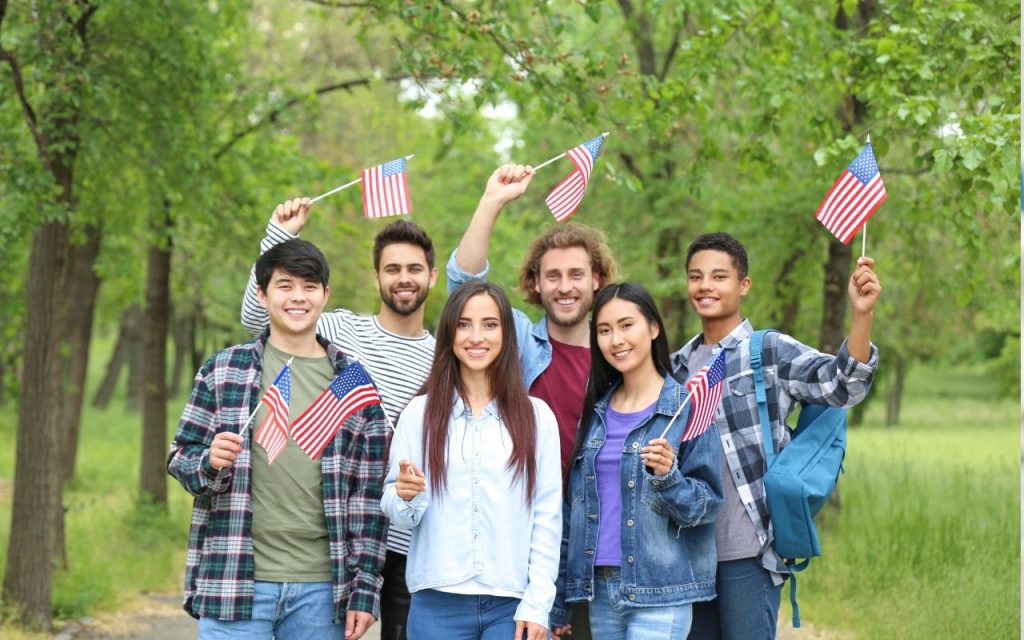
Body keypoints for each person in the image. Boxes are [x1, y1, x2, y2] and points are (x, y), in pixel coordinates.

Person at [168, 239, 389, 640]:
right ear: (263, 294)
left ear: (325, 295)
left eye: (309, 286)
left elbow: (367, 499)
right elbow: (181, 456)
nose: (298, 297)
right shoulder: (224, 370)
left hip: (322, 591)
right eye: (285, 285)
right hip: (236, 580)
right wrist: (209, 462)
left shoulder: (352, 382)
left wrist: (365, 588)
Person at [240, 198, 439, 640]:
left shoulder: (444, 356)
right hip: (342, 530)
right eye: (392, 269)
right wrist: (278, 234)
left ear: (432, 276)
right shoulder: (341, 330)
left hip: (410, 539)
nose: (403, 278)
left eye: (413, 268)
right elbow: (261, 314)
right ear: (376, 277)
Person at [675, 233, 881, 640]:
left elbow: (843, 385)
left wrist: (861, 316)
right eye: (696, 277)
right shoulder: (676, 367)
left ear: (743, 285)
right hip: (689, 554)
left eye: (719, 276)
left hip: (747, 553)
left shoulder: (765, 351)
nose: (706, 286)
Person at [380, 281, 562, 640]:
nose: (476, 336)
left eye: (490, 324)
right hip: (436, 601)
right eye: (464, 324)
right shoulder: (419, 414)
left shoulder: (537, 417)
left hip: (512, 603)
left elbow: (547, 516)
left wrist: (539, 602)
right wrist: (404, 495)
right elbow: (398, 513)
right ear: (449, 333)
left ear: (506, 335)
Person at [550, 283, 724, 639]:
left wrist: (669, 477)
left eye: (627, 325)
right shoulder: (595, 411)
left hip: (661, 589)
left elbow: (707, 505)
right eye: (604, 330)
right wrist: (559, 600)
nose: (616, 339)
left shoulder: (684, 406)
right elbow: (574, 509)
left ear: (653, 328)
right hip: (599, 589)